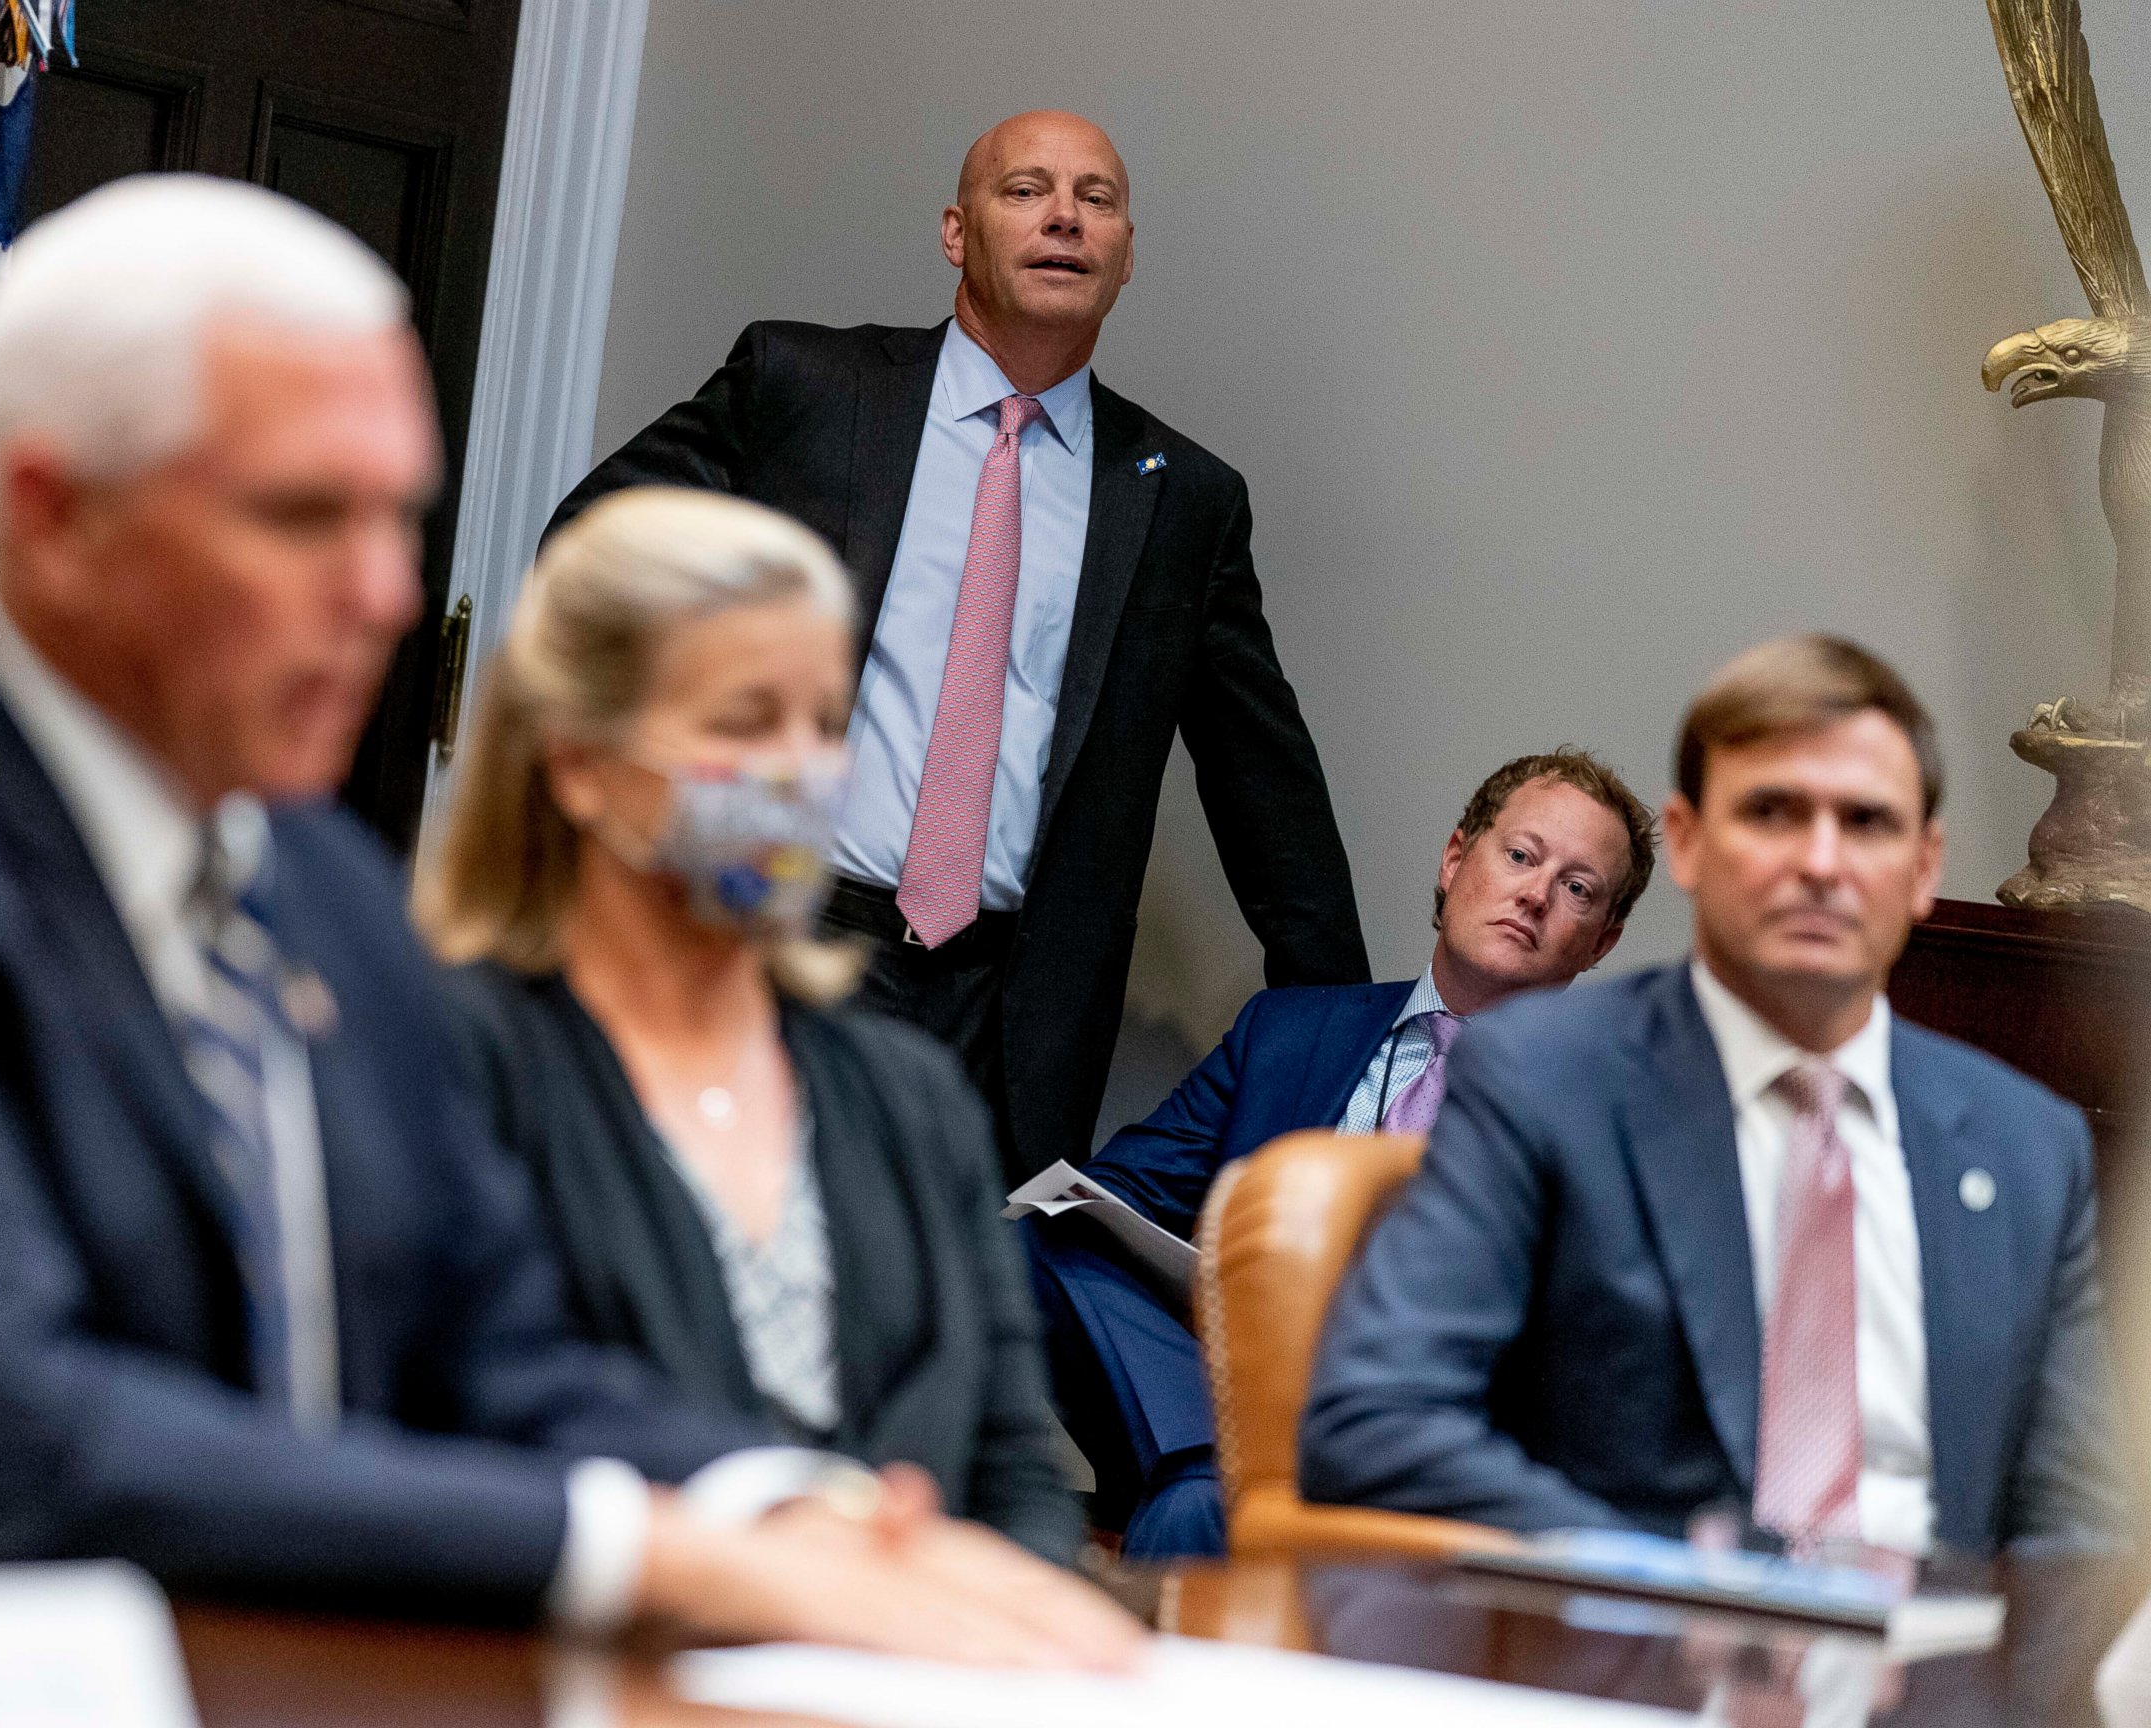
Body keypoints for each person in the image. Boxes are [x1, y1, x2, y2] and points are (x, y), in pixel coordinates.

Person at [0, 176, 1143, 1668]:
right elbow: (9, 1444)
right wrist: (655, 1552)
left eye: (401, 518)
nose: (390, 593)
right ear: (55, 520)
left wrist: (802, 1510)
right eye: (309, 516)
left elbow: (495, 1351)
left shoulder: (319, 885)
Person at [547, 110, 1366, 1182]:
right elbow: (594, 554)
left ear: (1126, 259)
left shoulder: (1182, 499)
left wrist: (1351, 1045)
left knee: (939, 1327)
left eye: (1097, 199)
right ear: (955, 231)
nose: (1064, 217)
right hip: (784, 936)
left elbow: (1268, 785)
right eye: (1025, 189)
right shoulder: (810, 388)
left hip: (1013, 1012)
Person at [1303, 636, 2130, 1558]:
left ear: (1925, 866)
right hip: (1627, 1662)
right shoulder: (1544, 1080)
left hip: (1930, 1680)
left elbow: (2079, 1526)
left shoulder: (2027, 1148)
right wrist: (1663, 1588)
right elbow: (1375, 1420)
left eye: (1866, 823)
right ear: (1690, 842)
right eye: (1773, 814)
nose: (1821, 861)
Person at [418, 488, 1082, 1564]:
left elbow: (1016, 1472)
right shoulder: (449, 1061)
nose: (804, 768)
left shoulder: (908, 1096)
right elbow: (460, 1436)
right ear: (580, 764)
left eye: (826, 724)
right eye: (744, 721)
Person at [1033, 749, 1656, 1556]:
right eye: (1521, 855)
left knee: (1197, 1506)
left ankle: (1221, 1466)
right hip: (1227, 1391)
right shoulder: (1287, 1033)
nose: (1535, 894)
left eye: (1576, 888)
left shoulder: (1609, 1111)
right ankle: (1215, 1451)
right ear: (1457, 857)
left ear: (1601, 941)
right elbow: (1114, 1197)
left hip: (1422, 1435)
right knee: (1035, 1237)